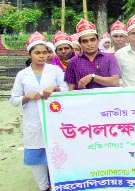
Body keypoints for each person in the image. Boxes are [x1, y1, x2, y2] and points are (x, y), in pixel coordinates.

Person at [10, 32, 68, 191]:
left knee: (57, 155)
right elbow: (13, 99)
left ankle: (57, 185)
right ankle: (43, 187)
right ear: (30, 54)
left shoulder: (55, 70)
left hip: (54, 119)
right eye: (37, 53)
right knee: (36, 158)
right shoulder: (22, 75)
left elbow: (66, 90)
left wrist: (55, 88)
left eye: (45, 52)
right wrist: (27, 97)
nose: (42, 56)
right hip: (33, 121)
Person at [64, 18, 120, 90]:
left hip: (107, 100)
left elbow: (115, 82)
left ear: (98, 40)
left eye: (92, 40)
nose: (89, 44)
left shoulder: (110, 58)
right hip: (83, 100)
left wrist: (93, 77)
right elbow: (71, 88)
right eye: (85, 41)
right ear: (80, 43)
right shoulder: (73, 61)